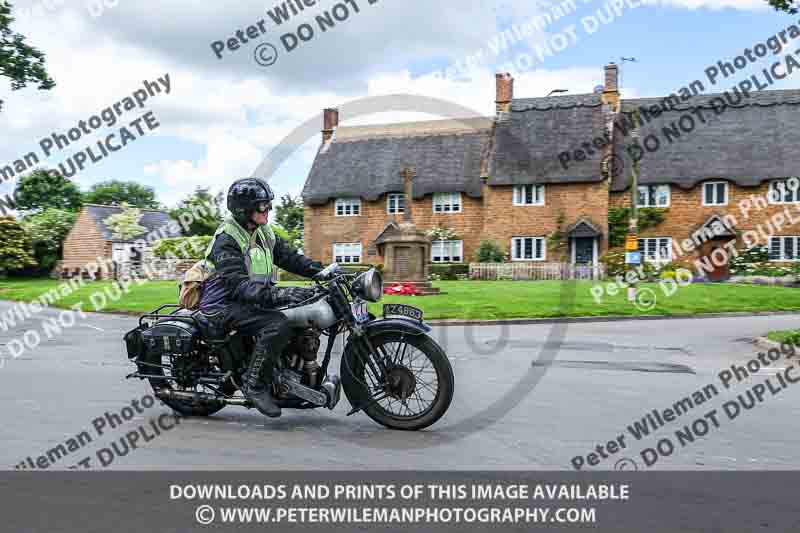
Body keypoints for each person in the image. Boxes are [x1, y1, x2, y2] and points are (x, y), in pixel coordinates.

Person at [199, 177, 323, 418]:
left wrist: (322, 271)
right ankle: (254, 384)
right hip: (222, 304)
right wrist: (280, 292)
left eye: (269, 205)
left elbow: (290, 258)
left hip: (248, 299)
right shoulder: (227, 240)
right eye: (263, 206)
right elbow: (238, 286)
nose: (268, 211)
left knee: (297, 308)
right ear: (244, 209)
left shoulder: (263, 232)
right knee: (276, 324)